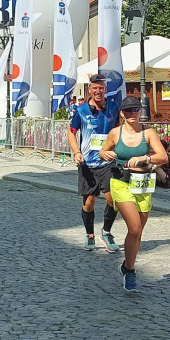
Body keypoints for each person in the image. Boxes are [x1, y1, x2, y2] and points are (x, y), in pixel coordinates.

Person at [98, 96, 168, 292]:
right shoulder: (115, 133)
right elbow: (102, 152)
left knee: (137, 233)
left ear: (140, 112)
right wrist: (106, 154)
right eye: (128, 111)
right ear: (122, 113)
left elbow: (163, 157)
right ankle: (131, 271)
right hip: (121, 182)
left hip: (143, 184)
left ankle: (127, 265)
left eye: (135, 110)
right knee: (135, 228)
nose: (132, 114)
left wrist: (144, 157)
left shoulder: (148, 133)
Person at [67, 75, 120, 253]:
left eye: (101, 88)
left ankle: (106, 232)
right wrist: (76, 152)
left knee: (113, 199)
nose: (98, 91)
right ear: (90, 89)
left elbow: (120, 131)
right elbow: (71, 132)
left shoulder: (113, 108)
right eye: (95, 88)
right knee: (89, 202)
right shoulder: (81, 110)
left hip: (108, 162)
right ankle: (90, 234)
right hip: (88, 163)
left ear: (105, 89)